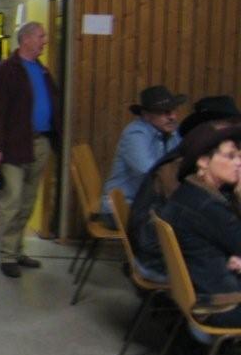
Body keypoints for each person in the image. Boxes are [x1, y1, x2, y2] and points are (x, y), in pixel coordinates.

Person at [128, 96, 241, 277]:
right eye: (228, 127)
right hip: (160, 261)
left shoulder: (195, 167)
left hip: (172, 254)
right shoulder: (180, 172)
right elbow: (214, 227)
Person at [0, 21, 61, 278]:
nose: (44, 41)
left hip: (40, 143)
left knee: (27, 201)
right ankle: (7, 255)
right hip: (13, 147)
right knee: (12, 200)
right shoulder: (5, 71)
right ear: (26, 39)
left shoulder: (42, 70)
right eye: (41, 36)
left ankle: (18, 250)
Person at [159, 119, 241, 327]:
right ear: (203, 161)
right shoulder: (207, 207)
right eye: (231, 156)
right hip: (223, 305)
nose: (239, 163)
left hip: (207, 292)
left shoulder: (190, 192)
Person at [101, 85, 186, 213]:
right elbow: (149, 173)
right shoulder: (135, 134)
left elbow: (183, 163)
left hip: (149, 206)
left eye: (173, 110)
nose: (172, 117)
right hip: (123, 208)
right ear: (146, 115)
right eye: (163, 112)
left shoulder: (172, 132)